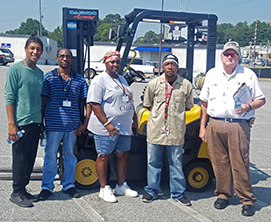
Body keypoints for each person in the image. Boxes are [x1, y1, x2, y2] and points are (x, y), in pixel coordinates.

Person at [199, 41, 266, 217]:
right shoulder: (212, 74)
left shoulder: (248, 74)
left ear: (238, 57)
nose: (230, 57)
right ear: (221, 56)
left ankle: (247, 199)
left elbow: (261, 99)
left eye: (233, 54)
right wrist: (203, 127)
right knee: (218, 161)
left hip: (238, 124)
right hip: (215, 123)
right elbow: (204, 103)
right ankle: (223, 194)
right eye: (227, 54)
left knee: (240, 162)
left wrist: (248, 106)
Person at [37, 48, 90, 200]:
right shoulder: (49, 78)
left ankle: (68, 185)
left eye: (68, 56)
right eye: (62, 56)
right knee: (50, 156)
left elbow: (86, 102)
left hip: (72, 127)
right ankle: (47, 186)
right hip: (53, 126)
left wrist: (85, 123)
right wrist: (41, 123)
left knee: (70, 156)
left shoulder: (79, 80)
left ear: (72, 60)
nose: (65, 58)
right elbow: (43, 101)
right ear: (57, 59)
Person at [142, 54, 194, 206]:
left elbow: (189, 105)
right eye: (167, 64)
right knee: (153, 162)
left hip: (176, 130)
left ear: (177, 67)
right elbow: (148, 103)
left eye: (173, 64)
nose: (170, 67)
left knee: (176, 163)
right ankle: (152, 190)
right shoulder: (153, 84)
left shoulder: (186, 85)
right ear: (162, 67)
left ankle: (178, 193)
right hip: (156, 130)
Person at [87, 51, 138, 203]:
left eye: (117, 62)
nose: (115, 65)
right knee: (103, 155)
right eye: (112, 62)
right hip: (106, 128)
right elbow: (94, 104)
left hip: (123, 127)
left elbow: (129, 101)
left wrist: (134, 119)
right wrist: (107, 124)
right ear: (105, 63)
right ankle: (104, 188)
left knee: (123, 154)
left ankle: (121, 185)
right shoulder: (100, 80)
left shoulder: (122, 79)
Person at [5, 33, 44, 207]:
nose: (35, 52)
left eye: (38, 49)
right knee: (20, 159)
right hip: (21, 123)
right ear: (26, 49)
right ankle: (16, 192)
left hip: (35, 123)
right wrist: (11, 124)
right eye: (32, 48)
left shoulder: (40, 73)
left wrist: (41, 124)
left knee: (30, 158)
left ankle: (23, 188)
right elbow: (9, 97)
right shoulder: (15, 70)